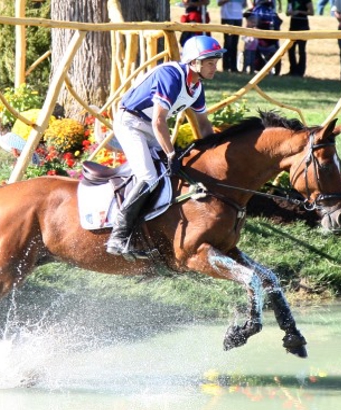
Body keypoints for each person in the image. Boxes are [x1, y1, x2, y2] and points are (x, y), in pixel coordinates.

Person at [106, 36, 222, 257]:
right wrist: (170, 153)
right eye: (209, 62)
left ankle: (145, 228)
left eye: (215, 61)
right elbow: (159, 120)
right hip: (130, 122)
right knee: (149, 176)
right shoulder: (170, 76)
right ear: (194, 62)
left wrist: (217, 151)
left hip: (149, 127)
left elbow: (204, 124)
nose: (214, 67)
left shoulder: (196, 87)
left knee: (168, 175)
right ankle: (118, 237)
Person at [218, 0, 248, 72]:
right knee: (228, 43)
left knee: (235, 43)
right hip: (227, 18)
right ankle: (226, 66)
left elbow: (244, 5)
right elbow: (219, 3)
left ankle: (233, 67)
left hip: (238, 18)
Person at [285, 0, 313, 76]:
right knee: (290, 49)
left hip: (303, 27)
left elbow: (311, 12)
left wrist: (299, 12)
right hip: (293, 26)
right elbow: (287, 13)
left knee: (301, 50)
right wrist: (290, 12)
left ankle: (300, 71)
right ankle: (292, 70)